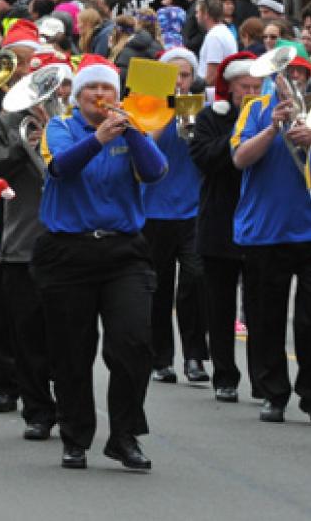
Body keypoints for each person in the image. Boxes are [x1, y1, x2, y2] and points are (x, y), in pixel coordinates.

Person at [33, 54, 166, 471]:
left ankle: (124, 436)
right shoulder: (59, 126)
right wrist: (100, 139)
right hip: (69, 252)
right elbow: (61, 169)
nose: (100, 95)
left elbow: (156, 171)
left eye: (107, 88)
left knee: (133, 344)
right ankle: (75, 436)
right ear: (77, 94)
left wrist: (134, 133)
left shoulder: (130, 130)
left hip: (123, 251)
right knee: (72, 350)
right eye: (92, 88)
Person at [0, 53, 70, 442]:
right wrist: (22, 145)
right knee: (27, 335)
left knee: (67, 335)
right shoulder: (10, 121)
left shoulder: (76, 119)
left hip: (69, 243)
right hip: (23, 242)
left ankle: (70, 406)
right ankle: (37, 410)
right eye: (46, 84)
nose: (53, 93)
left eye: (60, 84)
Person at [230, 50, 311, 423]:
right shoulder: (256, 107)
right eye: (286, 71)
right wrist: (271, 128)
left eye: (297, 72)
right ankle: (273, 392)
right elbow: (240, 159)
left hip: (307, 228)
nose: (290, 77)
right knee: (266, 318)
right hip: (265, 230)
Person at [189, 52, 262, 404]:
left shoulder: (268, 116)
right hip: (220, 222)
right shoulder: (210, 118)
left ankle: (263, 380)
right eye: (244, 87)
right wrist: (241, 131)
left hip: (260, 224)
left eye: (256, 87)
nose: (250, 92)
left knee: (261, 308)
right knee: (219, 308)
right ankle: (225, 376)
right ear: (230, 89)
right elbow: (205, 158)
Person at [141, 48, 210, 385]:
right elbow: (143, 149)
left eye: (184, 76)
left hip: (193, 207)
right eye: (173, 76)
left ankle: (195, 356)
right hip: (154, 209)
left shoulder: (200, 106)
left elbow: (205, 151)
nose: (180, 82)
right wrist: (164, 112)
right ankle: (161, 358)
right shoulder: (147, 108)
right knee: (159, 287)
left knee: (195, 280)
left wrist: (191, 121)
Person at [196, 0, 237, 86]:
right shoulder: (223, 31)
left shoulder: (214, 36)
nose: (196, 16)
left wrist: (199, 91)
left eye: (198, 12)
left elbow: (212, 75)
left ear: (206, 14)